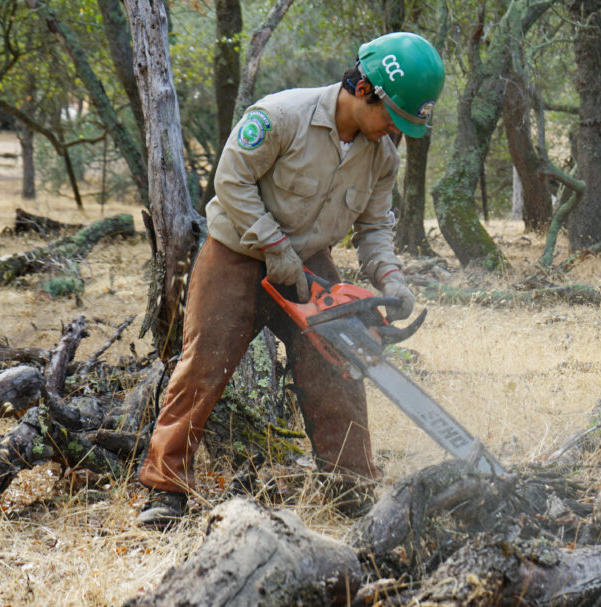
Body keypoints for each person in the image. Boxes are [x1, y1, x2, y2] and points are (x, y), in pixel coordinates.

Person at [137, 32, 445, 528]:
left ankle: (351, 488)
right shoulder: (281, 116)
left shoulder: (382, 156)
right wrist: (271, 246)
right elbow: (230, 180)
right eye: (394, 115)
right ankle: (164, 489)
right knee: (202, 368)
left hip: (310, 266)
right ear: (365, 89)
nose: (395, 130)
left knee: (340, 367)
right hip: (235, 255)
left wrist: (391, 278)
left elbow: (373, 228)